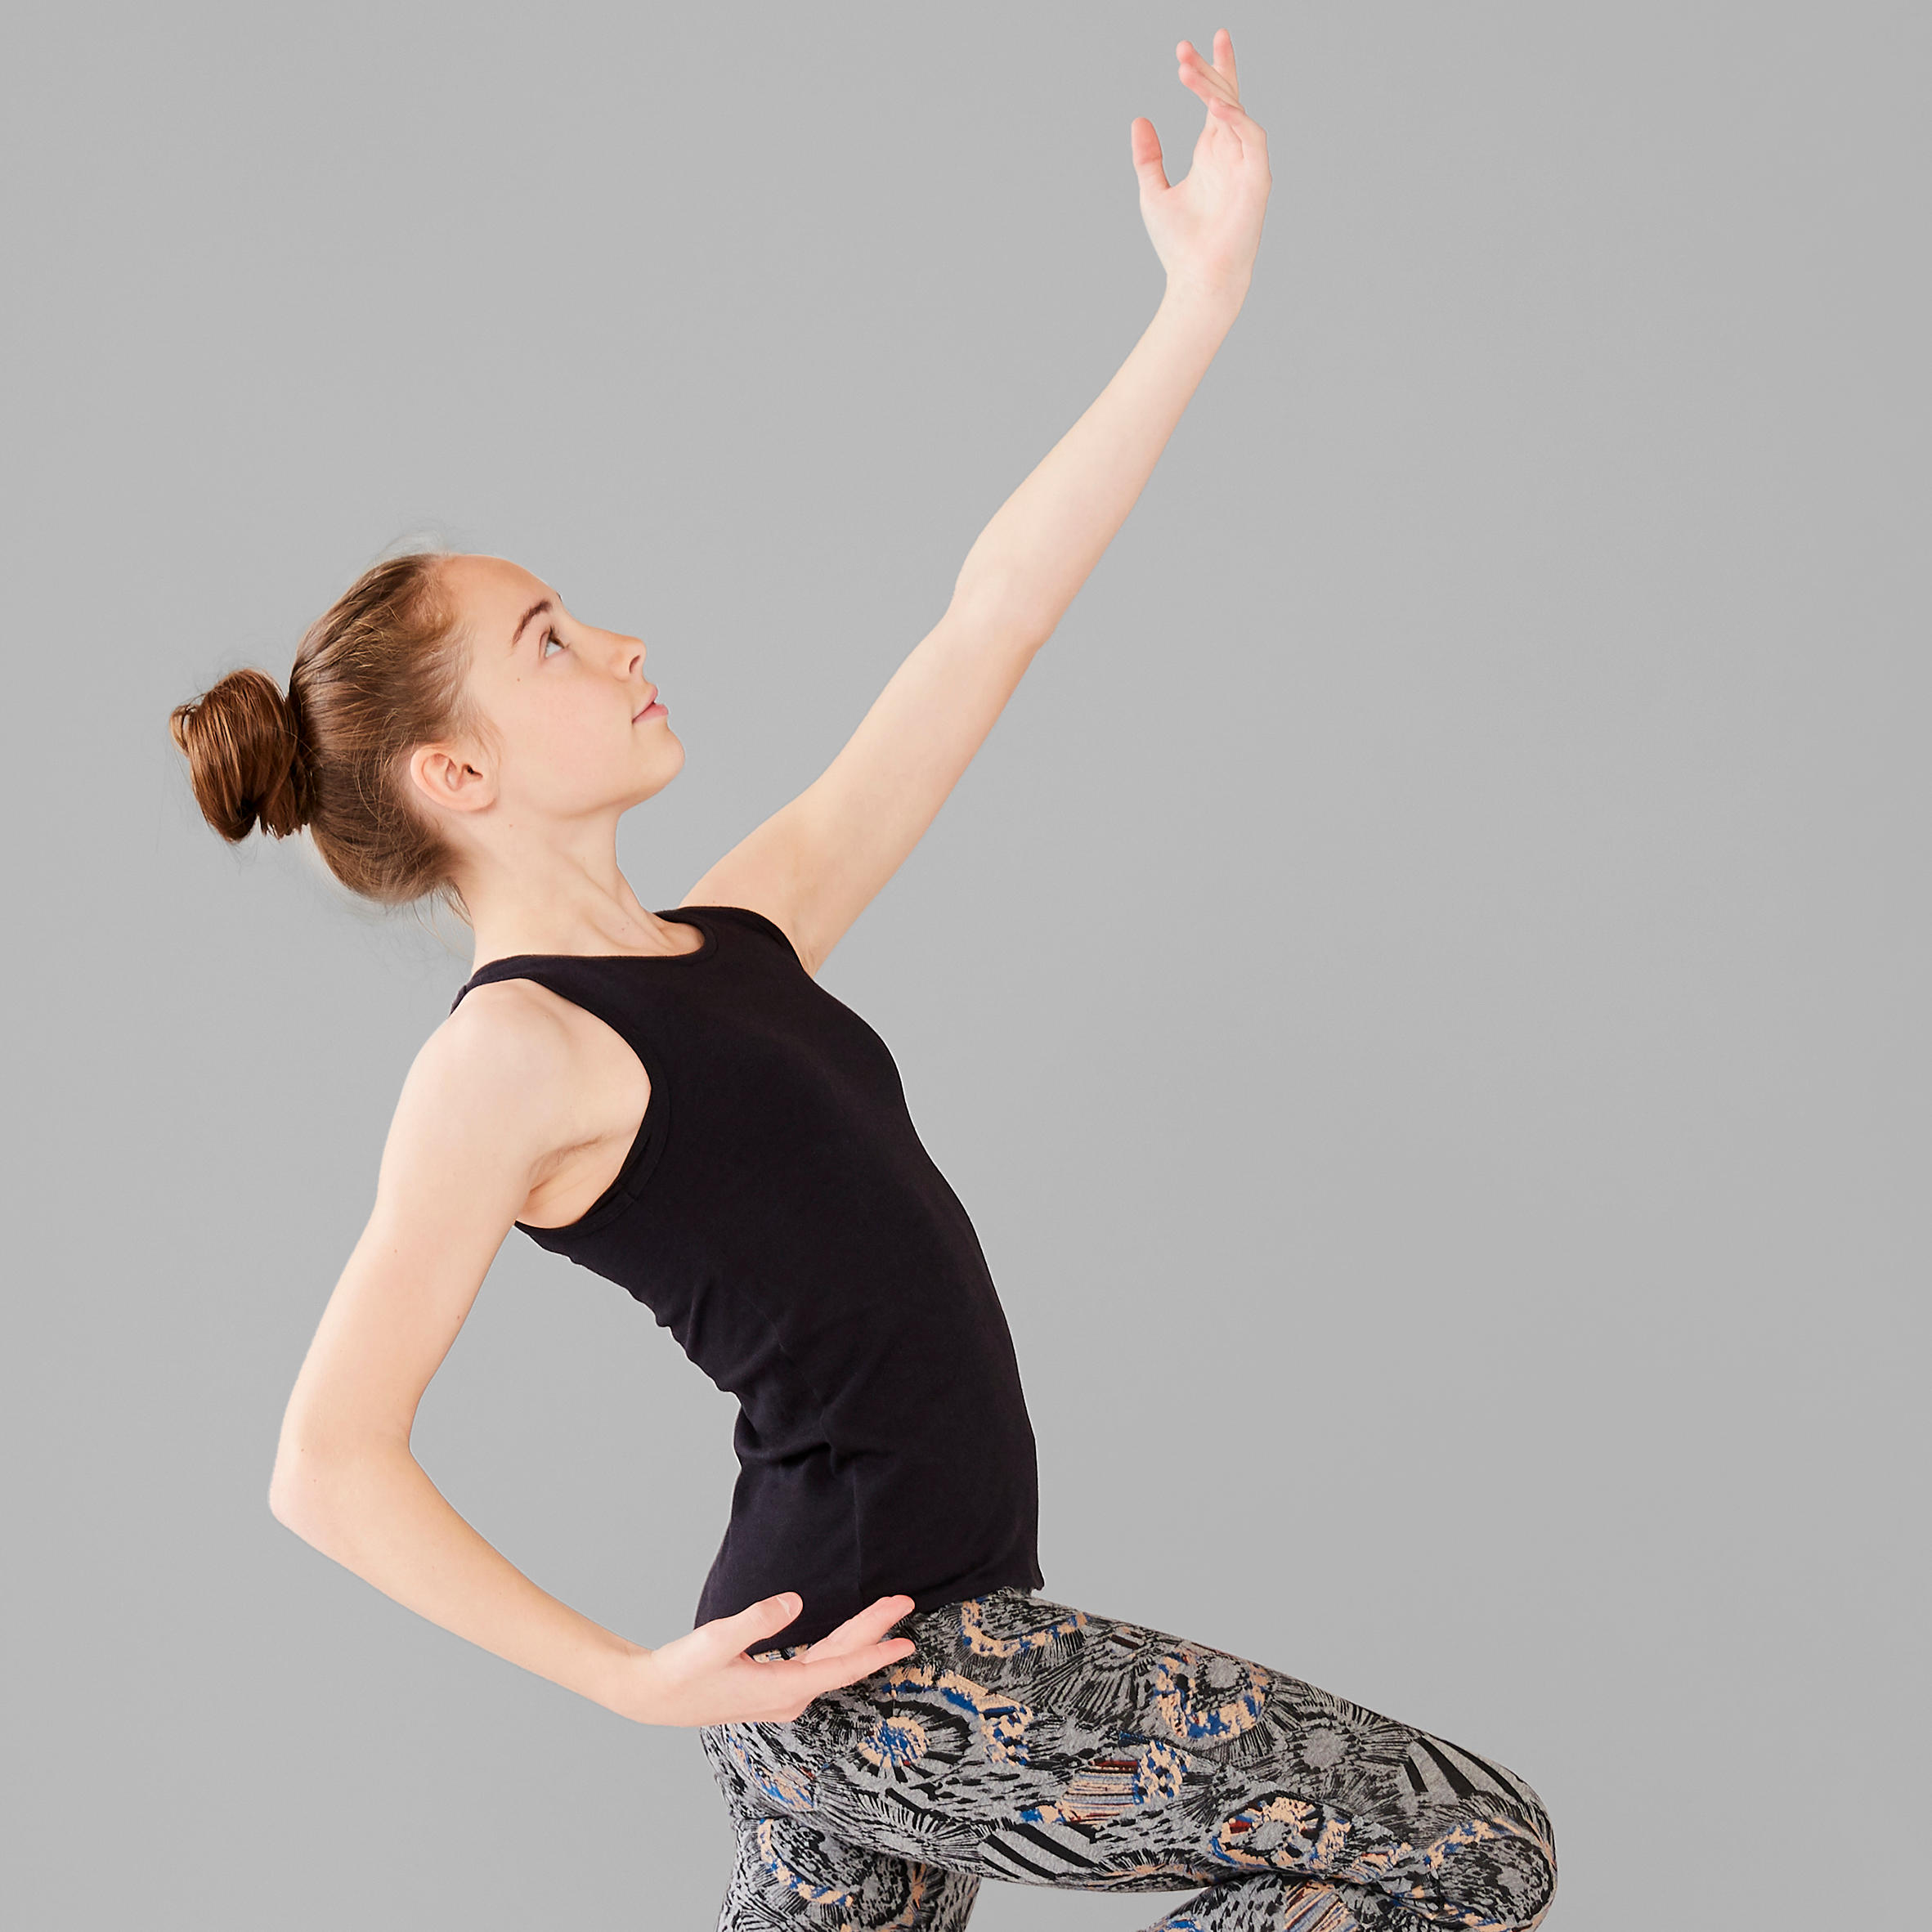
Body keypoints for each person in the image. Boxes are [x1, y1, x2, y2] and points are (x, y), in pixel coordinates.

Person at [168, 31, 1555, 1931]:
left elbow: (991, 619)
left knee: (1447, 1850)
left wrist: (1196, 307)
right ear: (455, 775)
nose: (622, 642)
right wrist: (625, 1680)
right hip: (900, 1669)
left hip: (861, 1663)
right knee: (1462, 1846)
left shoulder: (741, 933)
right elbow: (328, 1464)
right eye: (550, 640)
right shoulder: (512, 1057)